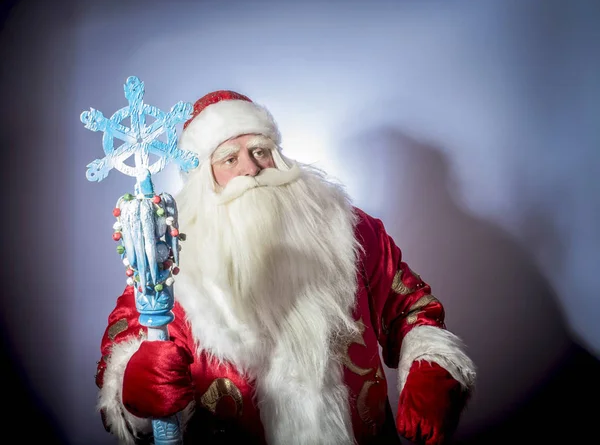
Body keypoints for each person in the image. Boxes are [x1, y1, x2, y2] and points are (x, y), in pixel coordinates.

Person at [94, 90, 476, 445]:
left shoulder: (352, 230)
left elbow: (409, 308)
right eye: (229, 158)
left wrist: (430, 364)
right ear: (203, 179)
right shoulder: (171, 258)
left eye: (260, 151)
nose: (251, 168)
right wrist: (133, 384)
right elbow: (129, 339)